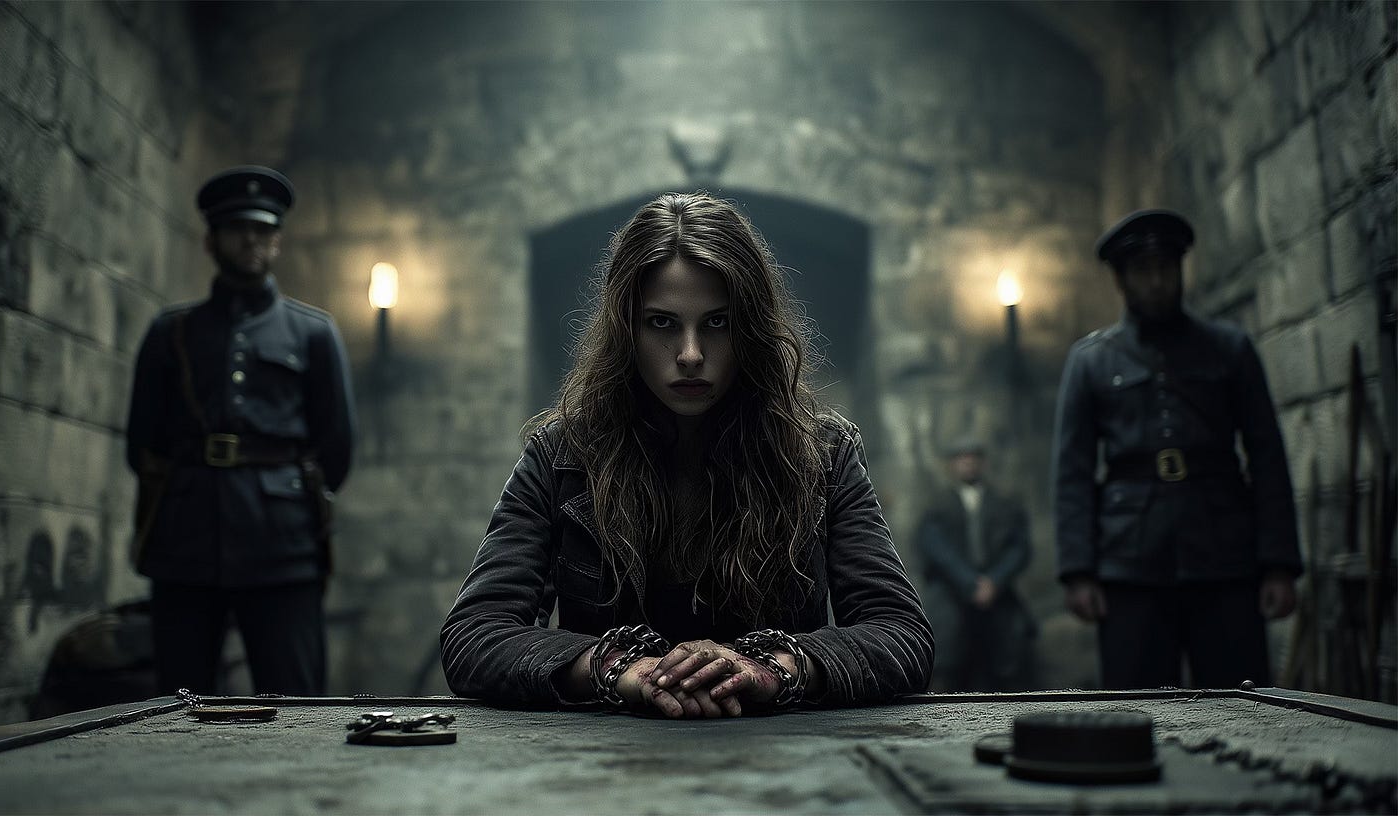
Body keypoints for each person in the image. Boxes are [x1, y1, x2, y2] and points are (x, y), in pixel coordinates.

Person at [440, 192, 933, 717]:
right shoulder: (561, 456)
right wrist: (621, 671)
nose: (691, 354)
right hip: (599, 772)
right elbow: (475, 636)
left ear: (751, 328)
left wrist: (771, 669)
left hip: (789, 769)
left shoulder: (824, 454)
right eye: (662, 323)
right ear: (626, 328)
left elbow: (901, 635)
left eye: (716, 323)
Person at [126, 165, 355, 696]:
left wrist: (286, 499)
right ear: (210, 240)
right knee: (177, 702)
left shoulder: (313, 333)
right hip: (185, 540)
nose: (251, 239)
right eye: (237, 229)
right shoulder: (170, 332)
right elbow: (142, 443)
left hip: (283, 546)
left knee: (296, 699)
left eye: (263, 230)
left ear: (277, 241)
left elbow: (337, 446)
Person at [1053, 208, 1302, 690]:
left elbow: (1267, 457)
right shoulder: (1091, 361)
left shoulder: (1229, 349)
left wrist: (1278, 565)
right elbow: (1073, 472)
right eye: (1142, 272)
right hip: (1129, 564)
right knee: (1139, 709)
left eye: (1165, 269)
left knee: (1244, 703)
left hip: (1224, 555)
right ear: (1122, 281)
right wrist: (1079, 572)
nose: (1156, 283)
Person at [915, 437, 1036, 691]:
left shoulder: (1004, 502)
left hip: (996, 596)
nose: (968, 465)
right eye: (961, 459)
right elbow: (936, 548)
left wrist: (994, 581)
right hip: (952, 595)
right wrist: (970, 583)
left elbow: (1019, 547)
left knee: (1006, 665)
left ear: (983, 463)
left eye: (974, 459)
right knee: (950, 667)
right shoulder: (936, 504)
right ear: (951, 465)